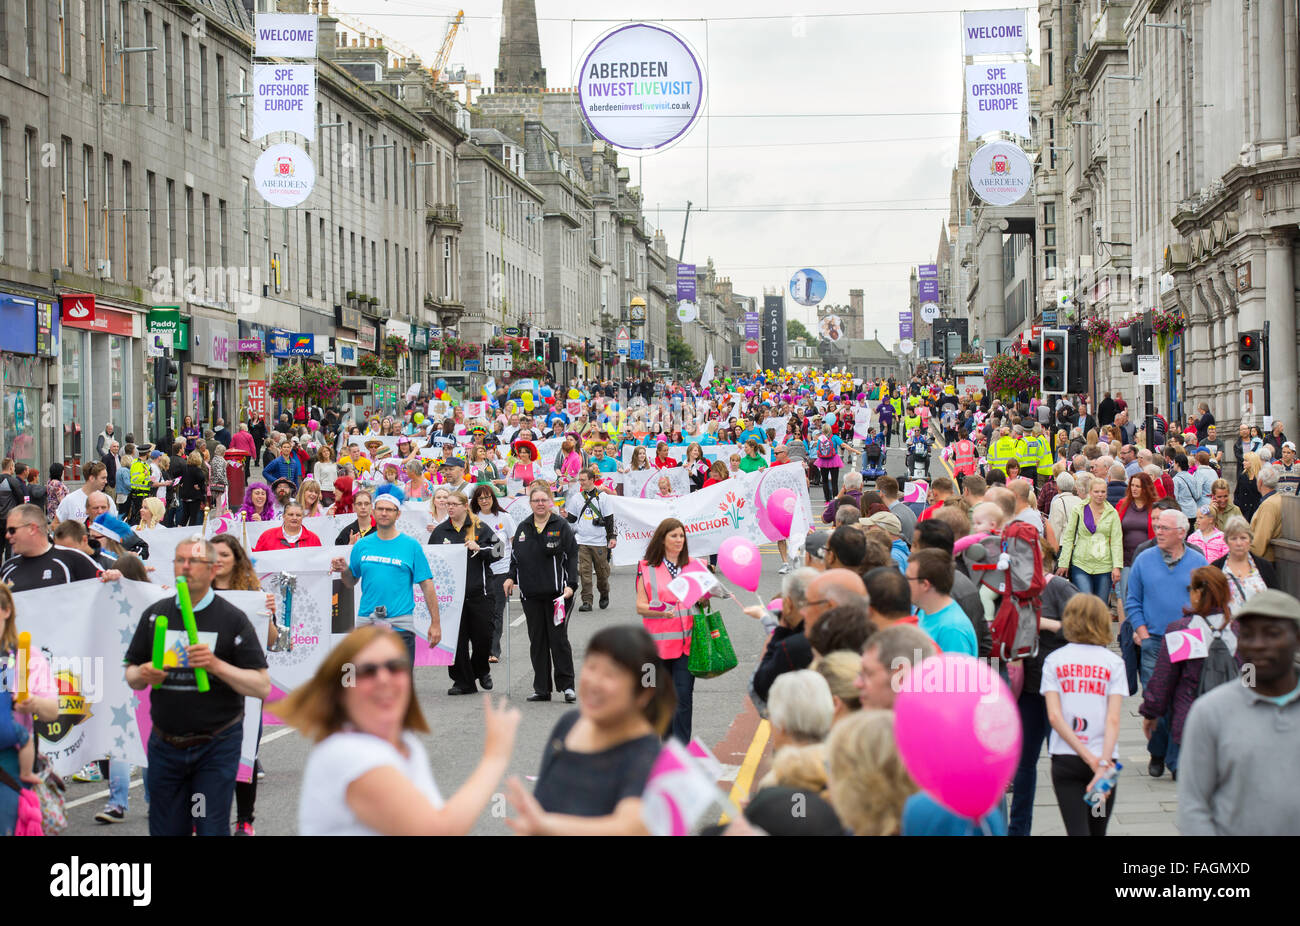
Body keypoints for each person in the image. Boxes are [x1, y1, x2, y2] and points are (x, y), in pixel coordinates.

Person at [275, 626, 520, 835]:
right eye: (368, 671)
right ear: (344, 686)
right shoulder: (346, 753)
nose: (384, 678)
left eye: (394, 667)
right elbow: (437, 829)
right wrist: (494, 759)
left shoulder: (405, 742)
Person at [123, 536, 270, 835]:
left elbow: (260, 686)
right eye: (180, 560)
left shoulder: (232, 619)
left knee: (209, 828)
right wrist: (144, 674)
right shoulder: (156, 614)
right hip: (165, 744)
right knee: (166, 829)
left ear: (213, 569)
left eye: (195, 561)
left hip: (215, 746)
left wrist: (216, 665)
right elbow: (131, 674)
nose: (186, 567)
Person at [506, 626, 669, 835]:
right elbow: (536, 815)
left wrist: (548, 825)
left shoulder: (645, 754)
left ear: (643, 693)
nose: (594, 682)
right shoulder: (570, 723)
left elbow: (631, 827)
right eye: (591, 667)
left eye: (611, 674)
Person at [1177, 589, 1300, 834]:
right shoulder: (1211, 711)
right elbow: (1193, 806)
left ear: (1297, 638)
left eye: (1272, 634)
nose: (1258, 645)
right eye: (1247, 635)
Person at [1126, 508, 1207, 779]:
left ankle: (1174, 759)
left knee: (1181, 699)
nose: (1157, 531)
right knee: (1156, 698)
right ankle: (1157, 752)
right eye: (1157, 527)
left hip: (1187, 638)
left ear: (1181, 533)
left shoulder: (1198, 561)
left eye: (1164, 528)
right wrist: (1142, 632)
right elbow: (1133, 600)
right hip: (1155, 640)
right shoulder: (1144, 559)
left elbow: (1206, 602)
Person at [1137, 567, 1236, 783]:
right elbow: (1250, 675)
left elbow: (1164, 679)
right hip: (1231, 725)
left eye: (1190, 588)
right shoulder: (1239, 631)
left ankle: (1159, 754)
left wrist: (1151, 713)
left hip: (1190, 726)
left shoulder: (1184, 630)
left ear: (1198, 593)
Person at [209, 533, 277, 835]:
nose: (219, 560)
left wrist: (269, 616)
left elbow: (272, 641)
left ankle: (244, 818)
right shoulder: (195, 592)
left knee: (244, 749)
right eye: (213, 555)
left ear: (236, 559)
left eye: (225, 555)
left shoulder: (253, 591)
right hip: (206, 685)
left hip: (245, 684)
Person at [331, 491, 442, 667]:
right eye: (380, 509)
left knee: (400, 686)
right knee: (368, 685)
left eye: (389, 510)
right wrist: (344, 570)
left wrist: (435, 623)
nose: (384, 513)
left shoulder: (411, 546)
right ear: (373, 512)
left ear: (398, 514)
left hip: (400, 627)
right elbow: (351, 581)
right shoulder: (361, 545)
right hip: (367, 626)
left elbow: (427, 585)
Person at [635, 518, 713, 742]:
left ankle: (680, 751)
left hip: (687, 645)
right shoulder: (647, 567)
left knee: (683, 700)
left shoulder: (695, 565)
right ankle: (667, 745)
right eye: (674, 536)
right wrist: (661, 610)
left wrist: (707, 594)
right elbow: (640, 606)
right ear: (662, 539)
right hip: (657, 647)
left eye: (682, 536)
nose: (679, 540)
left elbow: (705, 602)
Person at [504, 483, 578, 703]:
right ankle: (542, 688)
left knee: (558, 640)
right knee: (537, 641)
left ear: (550, 502)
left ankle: (567, 686)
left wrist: (571, 585)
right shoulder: (523, 527)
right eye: (536, 501)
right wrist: (510, 577)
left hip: (558, 595)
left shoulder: (560, 525)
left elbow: (572, 556)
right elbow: (515, 558)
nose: (540, 504)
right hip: (531, 594)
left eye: (544, 500)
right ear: (530, 504)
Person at [0, 583, 58, 836]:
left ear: (6, 611)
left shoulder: (28, 657)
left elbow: (51, 711)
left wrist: (32, 702)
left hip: (10, 759)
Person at [430, 492, 500, 696]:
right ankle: (462, 681)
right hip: (453, 597)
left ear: (464, 506)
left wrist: (481, 548)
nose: (449, 507)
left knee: (483, 639)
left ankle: (481, 669)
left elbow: (499, 551)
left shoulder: (479, 527)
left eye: (454, 504)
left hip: (480, 593)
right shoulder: (440, 531)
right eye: (447, 504)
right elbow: (432, 560)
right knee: (457, 642)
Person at [2, 505, 104, 589]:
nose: (7, 535)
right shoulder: (8, 568)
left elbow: (106, 588)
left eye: (12, 530)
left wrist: (114, 576)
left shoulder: (72, 559)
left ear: (32, 529)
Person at [1055, 474, 1122, 601]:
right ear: (1090, 492)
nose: (1100, 494)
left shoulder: (1112, 513)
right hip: (1081, 563)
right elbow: (1069, 537)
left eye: (1103, 492)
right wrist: (1063, 563)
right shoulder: (1079, 509)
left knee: (1100, 605)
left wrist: (1117, 566)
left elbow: (1117, 541)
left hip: (1104, 565)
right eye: (1096, 491)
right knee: (1085, 602)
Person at [906, 549, 978, 656]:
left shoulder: (952, 629)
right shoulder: (925, 611)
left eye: (908, 578)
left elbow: (954, 672)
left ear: (925, 585)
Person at [471, 485, 513, 663]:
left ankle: (493, 650)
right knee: (483, 613)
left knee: (497, 611)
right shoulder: (472, 519)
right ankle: (481, 647)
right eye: (480, 498)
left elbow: (513, 543)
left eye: (488, 497)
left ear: (493, 499)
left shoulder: (505, 517)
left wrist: (513, 573)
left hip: (501, 571)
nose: (484, 501)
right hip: (480, 572)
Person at [569, 468, 616, 612]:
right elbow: (572, 518)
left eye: (583, 479)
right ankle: (587, 601)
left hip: (600, 541)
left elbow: (609, 519)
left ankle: (604, 592)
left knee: (602, 573)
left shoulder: (603, 497)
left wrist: (612, 537)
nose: (581, 482)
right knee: (585, 573)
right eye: (580, 479)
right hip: (582, 541)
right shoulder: (576, 497)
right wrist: (564, 514)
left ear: (591, 480)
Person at [1213, 516, 1278, 613]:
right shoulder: (1216, 568)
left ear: (1250, 540)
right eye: (1233, 538)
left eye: (1243, 538)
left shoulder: (1265, 567)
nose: (1239, 543)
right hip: (1226, 625)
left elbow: (1276, 599)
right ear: (1226, 541)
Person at [252, 502, 322, 551]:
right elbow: (257, 560)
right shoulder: (267, 536)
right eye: (290, 514)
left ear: (302, 517)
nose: (294, 518)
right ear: (283, 516)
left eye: (298, 515)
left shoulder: (313, 539)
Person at [1249, 465, 1284, 563]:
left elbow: (1261, 539)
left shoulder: (1268, 505)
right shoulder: (1278, 498)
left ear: (1260, 482)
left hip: (1264, 560)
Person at [813, 423, 845, 503]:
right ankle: (835, 500)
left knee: (825, 481)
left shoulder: (820, 438)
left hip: (823, 461)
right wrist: (853, 450)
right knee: (834, 482)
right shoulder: (834, 437)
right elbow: (843, 445)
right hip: (834, 460)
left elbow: (817, 451)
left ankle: (827, 500)